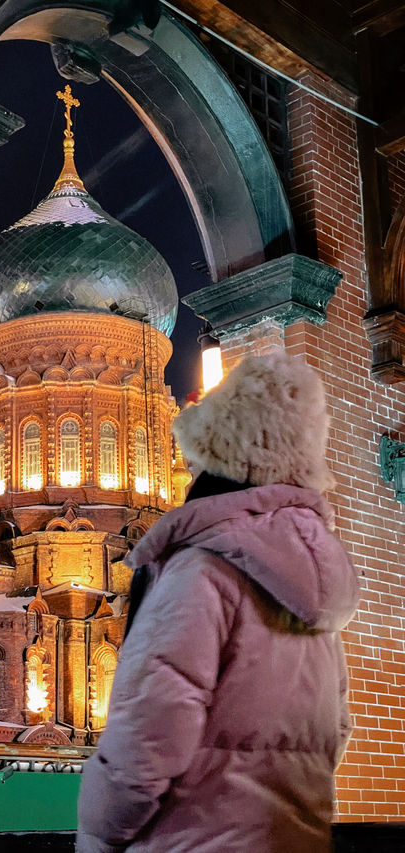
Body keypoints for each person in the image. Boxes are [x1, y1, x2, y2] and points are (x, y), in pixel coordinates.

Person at [77, 350, 359, 853]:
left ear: (215, 458)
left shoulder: (199, 569)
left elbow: (148, 735)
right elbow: (334, 731)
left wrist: (100, 836)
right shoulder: (314, 588)